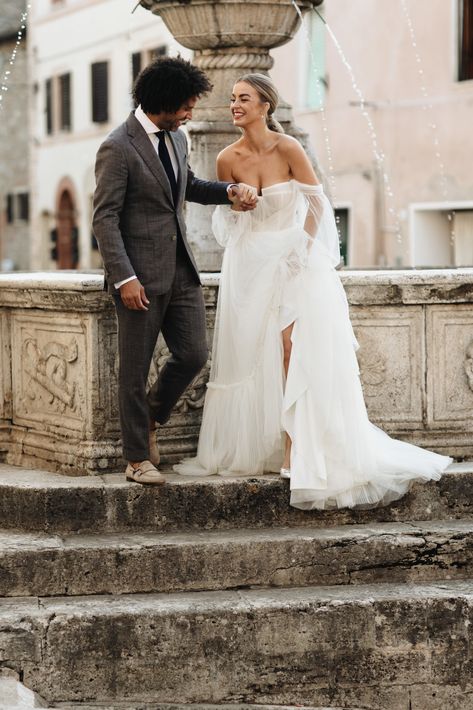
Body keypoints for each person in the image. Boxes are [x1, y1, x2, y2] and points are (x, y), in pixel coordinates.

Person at [174, 73, 452, 510]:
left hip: (293, 261)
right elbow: (227, 224)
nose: (234, 106)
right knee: (250, 355)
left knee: (291, 350)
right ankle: (255, 447)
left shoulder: (288, 149)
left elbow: (318, 204)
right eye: (232, 99)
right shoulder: (227, 157)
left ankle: (295, 449)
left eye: (243, 99)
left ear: (266, 105)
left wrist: (301, 249)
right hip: (249, 264)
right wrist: (238, 204)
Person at [92, 57, 257, 485]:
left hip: (181, 270)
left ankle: (148, 418)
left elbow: (189, 186)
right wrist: (124, 277)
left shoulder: (178, 139)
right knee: (134, 369)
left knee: (194, 354)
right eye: (185, 106)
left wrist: (229, 191)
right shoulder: (118, 146)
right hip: (138, 279)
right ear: (162, 103)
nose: (190, 113)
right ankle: (135, 459)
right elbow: (104, 219)